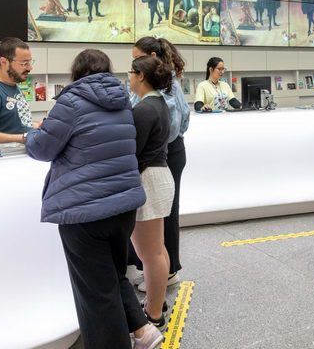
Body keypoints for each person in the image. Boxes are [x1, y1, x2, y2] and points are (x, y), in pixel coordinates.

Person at [24, 49, 163, 349]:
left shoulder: (71, 102)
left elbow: (43, 148)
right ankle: (141, 330)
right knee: (111, 277)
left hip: (85, 212)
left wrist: (28, 136)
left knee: (96, 299)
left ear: (77, 71)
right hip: (122, 208)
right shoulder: (124, 103)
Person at [129, 37, 190, 295]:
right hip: (165, 151)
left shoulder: (167, 87)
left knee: (163, 213)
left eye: (137, 59)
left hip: (163, 153)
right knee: (155, 215)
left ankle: (168, 271)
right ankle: (153, 267)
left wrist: (153, 140)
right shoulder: (167, 83)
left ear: (152, 56)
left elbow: (176, 125)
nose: (133, 67)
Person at [128, 56, 176, 329]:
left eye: (132, 73)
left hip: (149, 180)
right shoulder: (158, 104)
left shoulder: (144, 109)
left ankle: (154, 313)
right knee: (156, 249)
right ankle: (157, 301)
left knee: (150, 253)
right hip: (158, 177)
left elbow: (134, 152)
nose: (129, 78)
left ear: (141, 76)